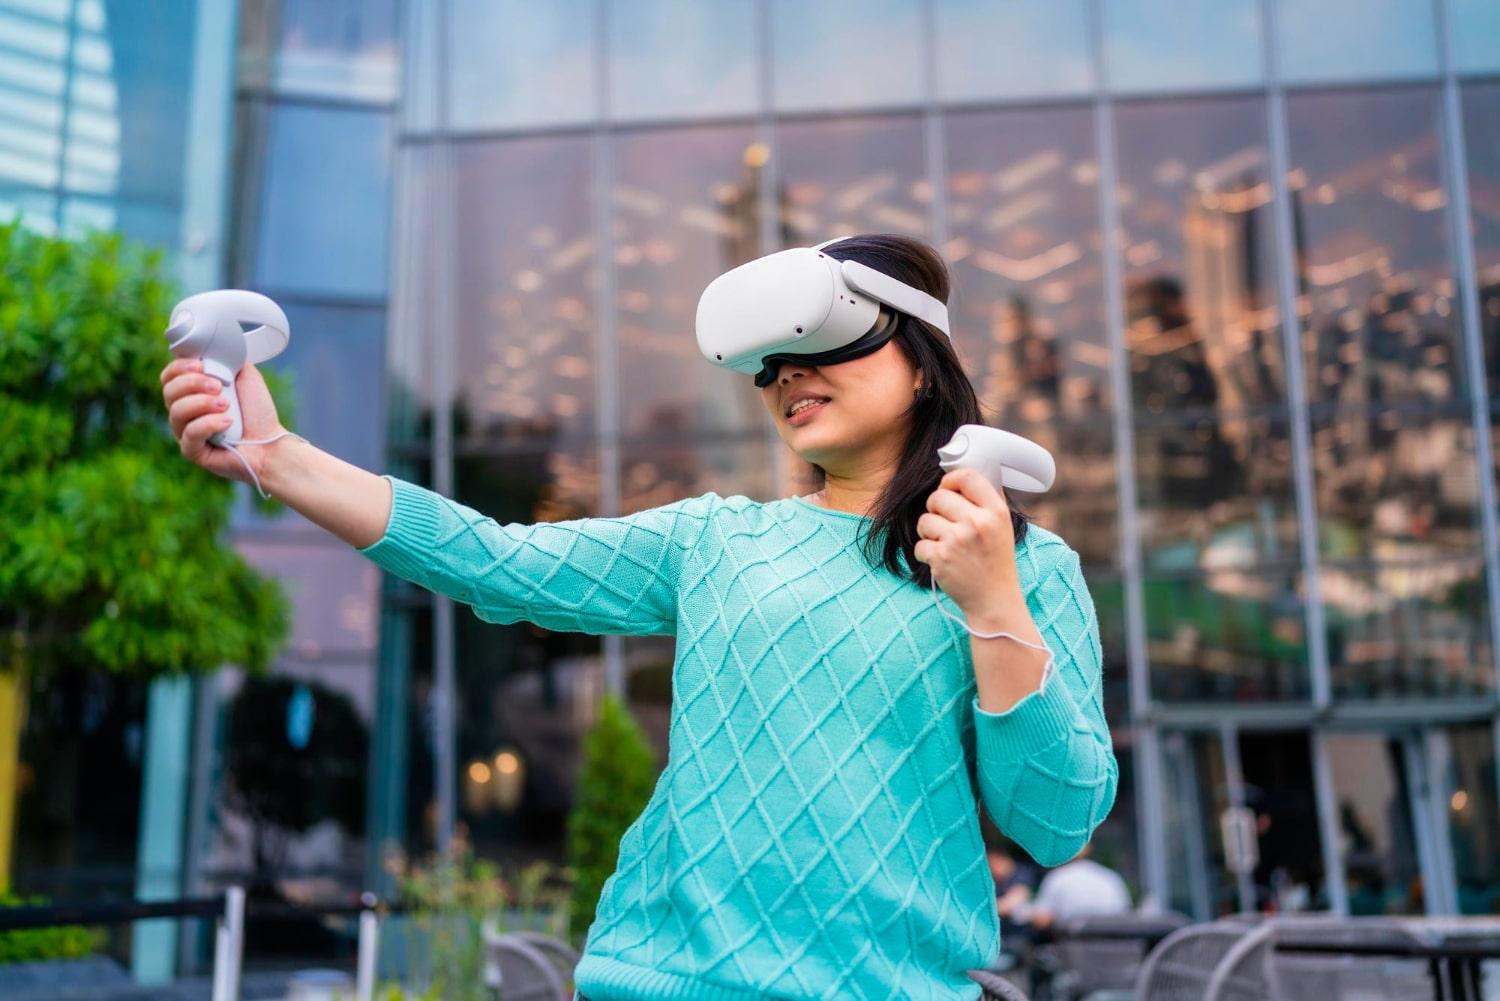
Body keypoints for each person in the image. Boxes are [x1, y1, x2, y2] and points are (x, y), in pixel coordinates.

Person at [160, 233, 1116, 1000]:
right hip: (661, 978)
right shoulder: (719, 540)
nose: (787, 376)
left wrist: (993, 603)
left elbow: (1055, 821)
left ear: (921, 361)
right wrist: (274, 453)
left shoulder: (1031, 568)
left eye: (822, 346)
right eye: (769, 366)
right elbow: (498, 562)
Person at [1025, 843, 1132, 930]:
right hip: (1114, 947)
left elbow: (1042, 920)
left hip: (1074, 949)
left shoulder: (1057, 878)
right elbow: (1125, 914)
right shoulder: (1110, 876)